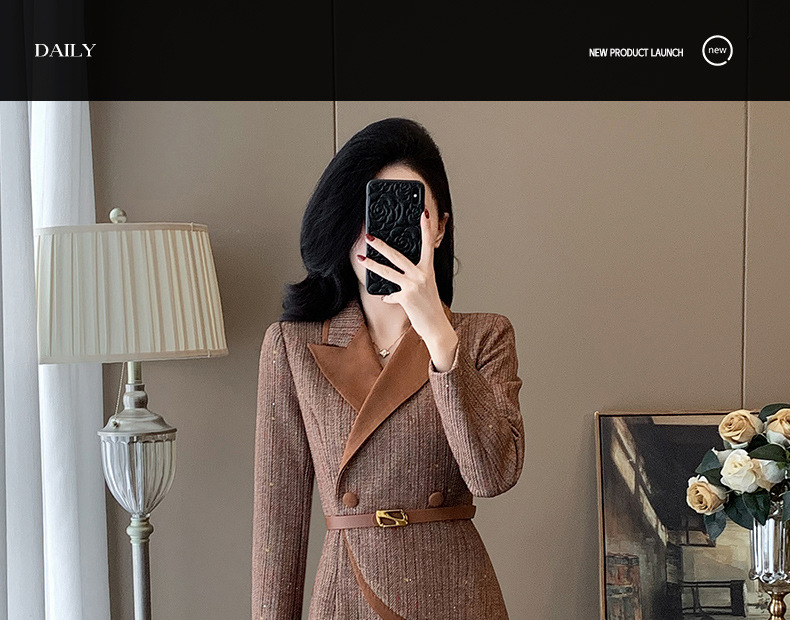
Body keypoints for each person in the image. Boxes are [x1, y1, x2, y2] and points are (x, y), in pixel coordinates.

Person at [252, 117, 525, 619]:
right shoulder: (291, 347)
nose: (379, 234)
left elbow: (492, 475)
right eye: (369, 211)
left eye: (405, 211)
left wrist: (438, 334)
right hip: (347, 598)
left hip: (455, 596)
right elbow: (277, 526)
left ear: (439, 228)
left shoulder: (484, 337)